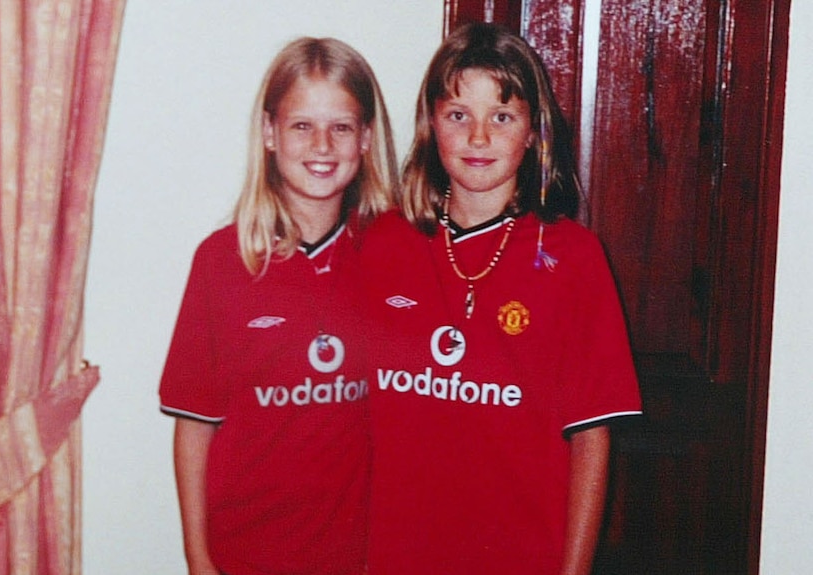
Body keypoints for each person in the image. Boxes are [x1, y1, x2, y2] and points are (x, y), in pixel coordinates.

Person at [360, 22, 642, 575]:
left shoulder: (574, 257)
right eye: (458, 114)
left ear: (534, 132)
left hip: (521, 555)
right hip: (395, 555)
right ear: (431, 124)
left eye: (502, 116)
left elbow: (591, 438)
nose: (479, 137)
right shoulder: (383, 243)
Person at [159, 36, 397, 575]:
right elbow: (195, 427)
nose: (322, 145)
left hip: (359, 556)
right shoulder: (222, 260)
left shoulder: (392, 255)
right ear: (269, 133)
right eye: (301, 125)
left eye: (341, 126)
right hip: (246, 553)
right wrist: (199, 559)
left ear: (365, 138)